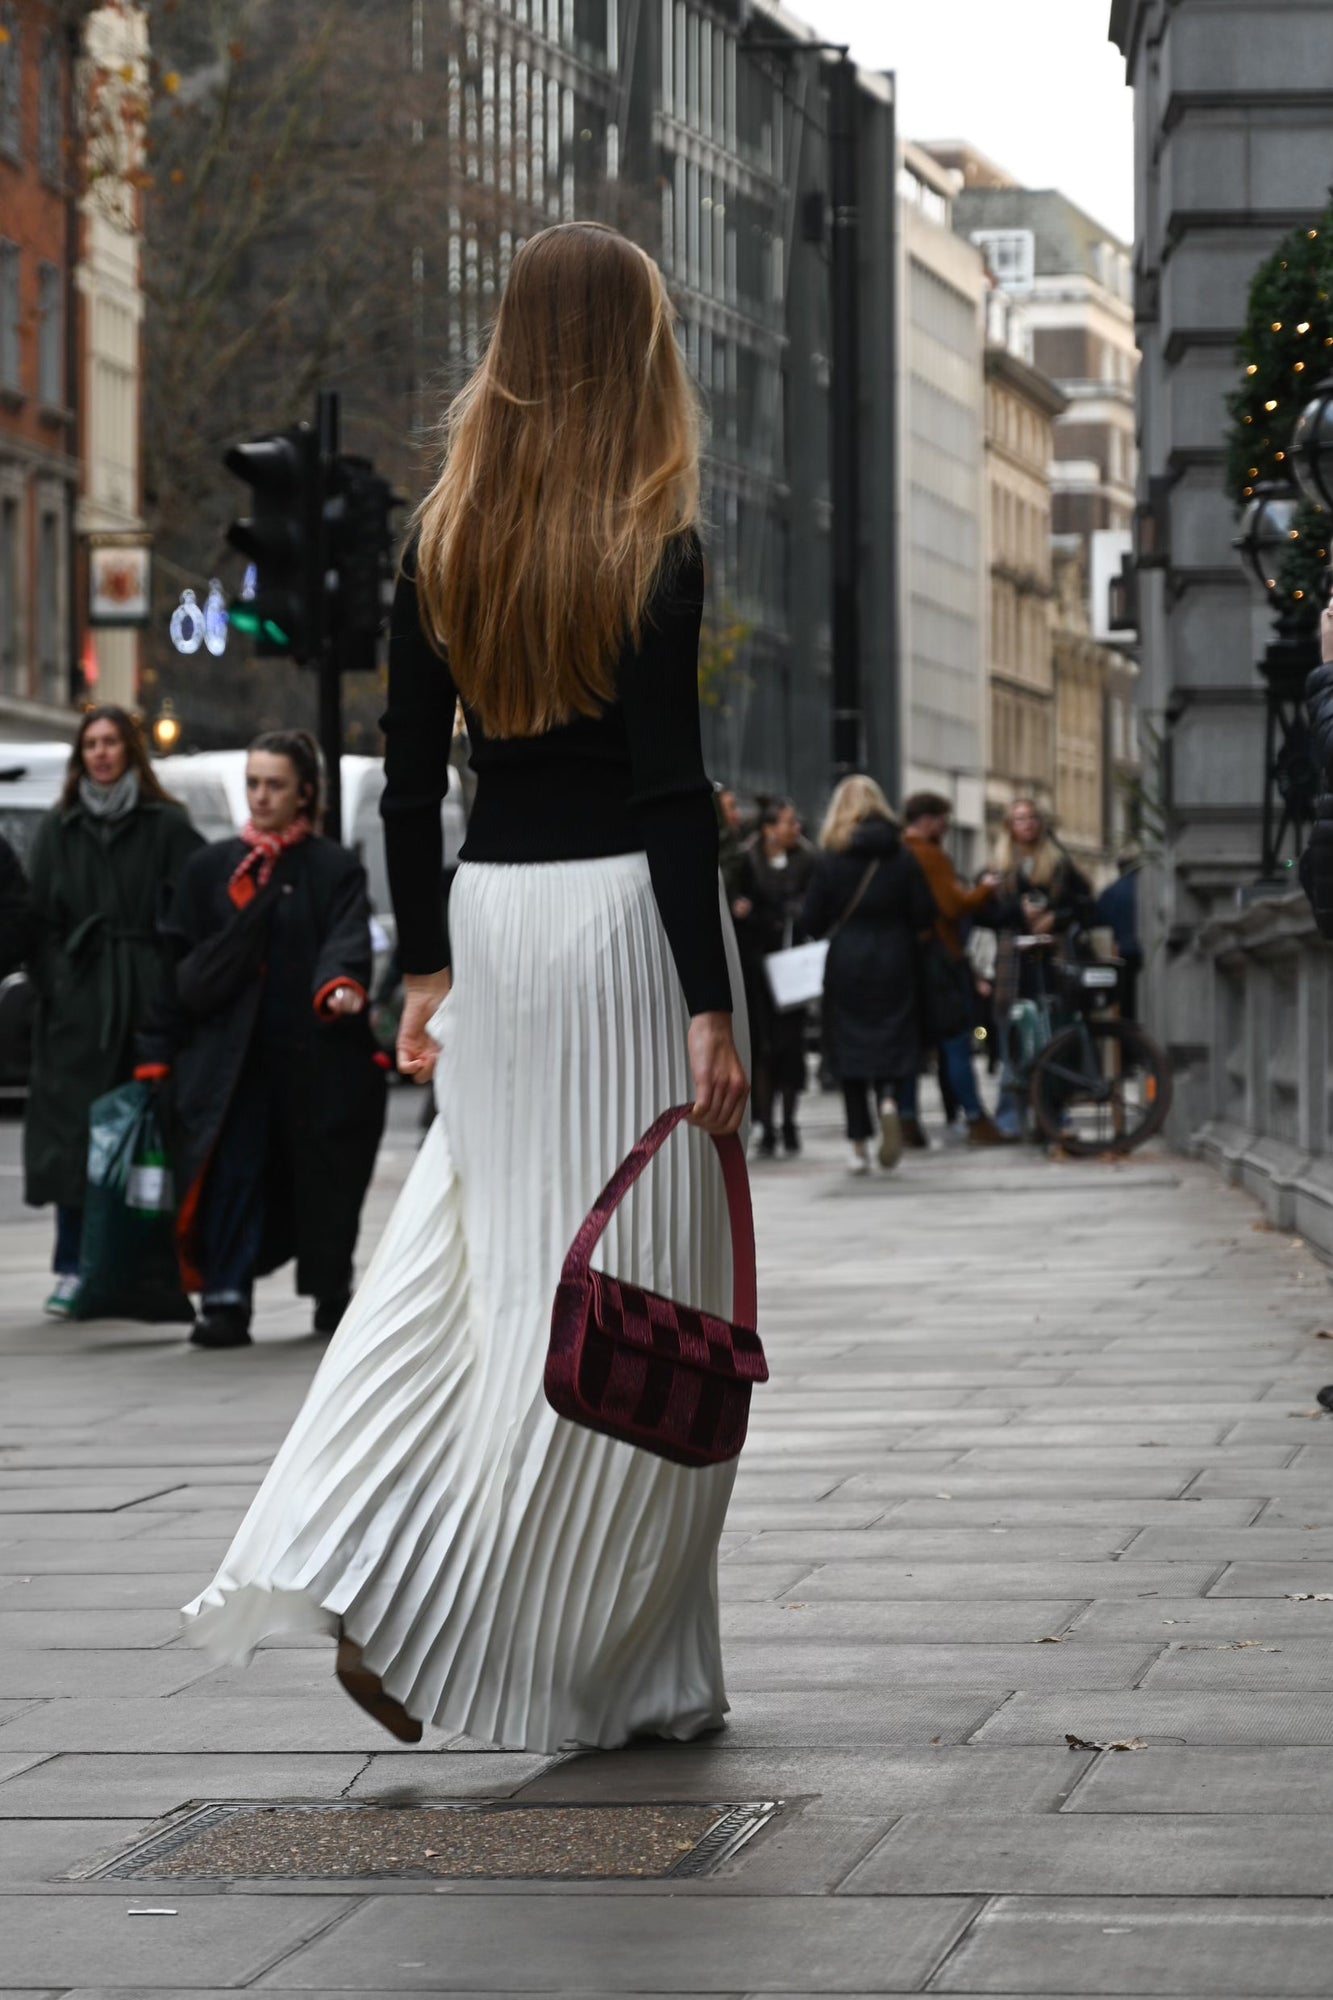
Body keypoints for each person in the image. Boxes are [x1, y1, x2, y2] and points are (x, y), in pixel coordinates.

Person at [180, 222, 749, 1753]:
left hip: (495, 925)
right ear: (636, 351)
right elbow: (670, 797)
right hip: (627, 936)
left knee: (484, 1271)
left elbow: (410, 787)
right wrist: (708, 1004)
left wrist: (427, 966)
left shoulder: (445, 541)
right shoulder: (654, 545)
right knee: (643, 1293)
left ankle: (361, 1555)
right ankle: (618, 1663)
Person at [138, 732, 387, 1350]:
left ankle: (330, 1290)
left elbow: (346, 936)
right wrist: (155, 1058)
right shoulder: (210, 870)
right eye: (254, 783)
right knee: (233, 1171)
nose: (261, 795)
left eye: (275, 784)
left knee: (323, 1176)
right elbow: (175, 966)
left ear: (304, 792)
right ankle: (225, 1300)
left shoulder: (332, 868)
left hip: (314, 1056)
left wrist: (340, 985)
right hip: (230, 1062)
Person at [24, 707, 202, 1318]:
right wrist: (59, 982)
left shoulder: (167, 824)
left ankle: (149, 1266)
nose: (101, 754)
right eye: (91, 745)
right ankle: (73, 1265)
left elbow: (197, 903)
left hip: (144, 998)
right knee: (74, 1139)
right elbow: (38, 919)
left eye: (111, 743)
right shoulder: (60, 828)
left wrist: (169, 979)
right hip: (78, 1005)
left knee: (147, 1137)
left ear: (130, 751)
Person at [802, 775, 937, 1176]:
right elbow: (925, 913)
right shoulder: (902, 855)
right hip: (897, 958)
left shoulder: (832, 858)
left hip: (848, 962)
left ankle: (858, 1144)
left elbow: (811, 920)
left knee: (850, 1050)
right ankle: (892, 1101)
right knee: (893, 1039)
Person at [985, 797, 1093, 1138]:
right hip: (1013, 967)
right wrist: (1020, 914)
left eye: (1032, 817)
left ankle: (1053, 1115)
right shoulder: (999, 869)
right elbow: (983, 916)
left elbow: (1086, 905)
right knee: (1012, 1042)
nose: (1027, 824)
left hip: (1052, 963)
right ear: (1009, 827)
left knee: (1054, 1039)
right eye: (1019, 819)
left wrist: (1054, 918)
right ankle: (1010, 1118)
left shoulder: (1059, 864)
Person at [901, 792, 1004, 1147]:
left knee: (910, 1047)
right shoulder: (930, 855)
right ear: (928, 820)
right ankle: (976, 1118)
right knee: (957, 1040)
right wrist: (983, 891)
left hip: (905, 961)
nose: (946, 827)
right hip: (940, 959)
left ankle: (907, 1120)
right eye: (944, 820)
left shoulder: (898, 851)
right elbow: (953, 904)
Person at [731, 798, 814, 1157]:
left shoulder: (809, 860)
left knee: (789, 1047)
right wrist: (741, 906)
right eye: (788, 822)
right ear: (769, 829)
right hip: (757, 965)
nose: (795, 828)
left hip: (792, 963)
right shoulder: (746, 859)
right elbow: (735, 896)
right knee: (762, 1047)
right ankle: (765, 1124)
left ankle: (790, 1122)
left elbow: (815, 902)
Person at [1095, 844, 1143, 1021]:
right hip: (1148, 954)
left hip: (1122, 956)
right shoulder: (1148, 889)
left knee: (1127, 1011)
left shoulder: (1111, 892)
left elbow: (1098, 922)